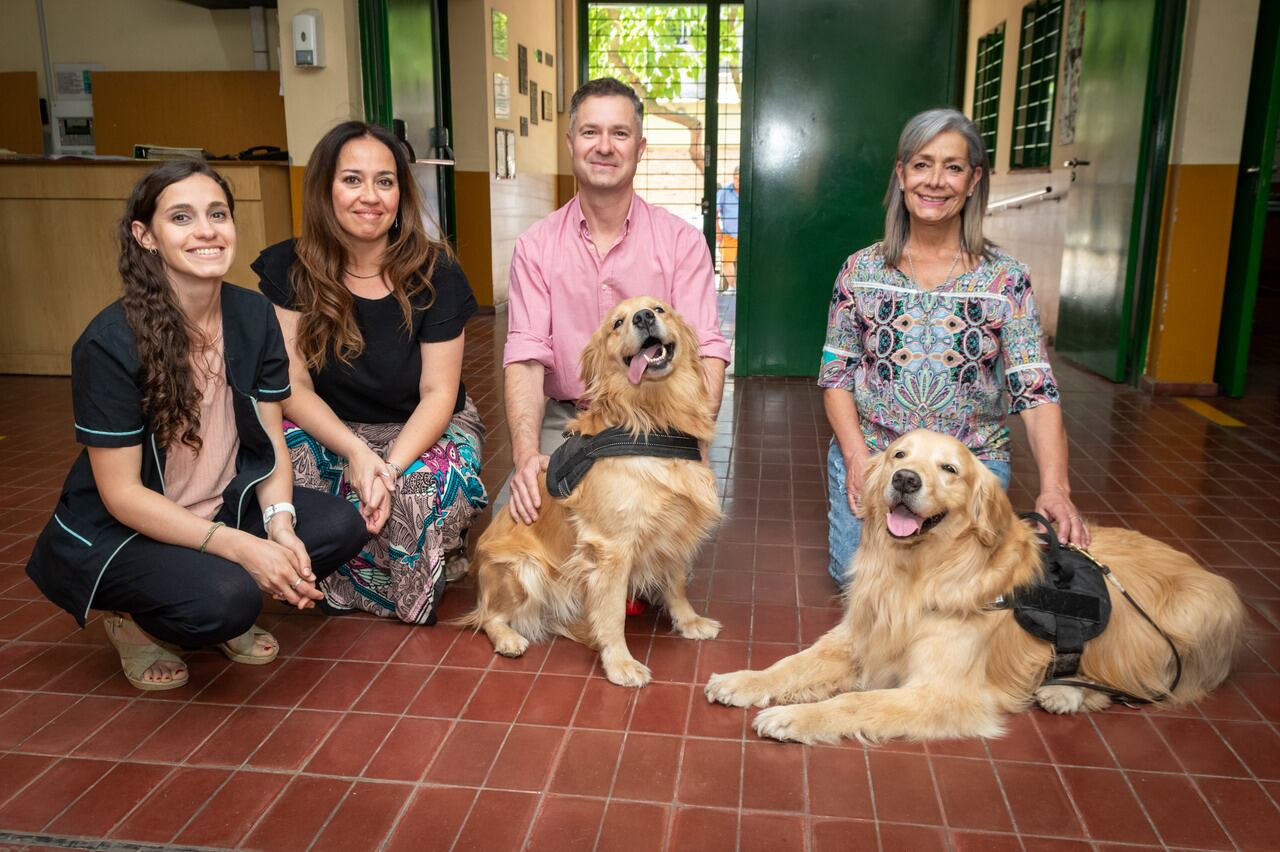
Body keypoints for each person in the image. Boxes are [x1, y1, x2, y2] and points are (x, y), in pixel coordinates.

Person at [24, 160, 367, 691]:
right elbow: (121, 497)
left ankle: (223, 578)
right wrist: (242, 549)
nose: (207, 230)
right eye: (181, 217)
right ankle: (132, 620)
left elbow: (271, 436)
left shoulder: (253, 316)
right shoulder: (110, 342)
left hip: (224, 503)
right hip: (131, 528)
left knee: (337, 525)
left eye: (218, 214)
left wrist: (276, 525)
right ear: (146, 236)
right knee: (229, 598)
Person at [820, 108, 1088, 586]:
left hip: (966, 468)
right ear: (901, 175)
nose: (936, 181)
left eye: (953, 167)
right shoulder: (859, 270)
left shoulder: (1006, 278)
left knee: (953, 590)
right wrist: (858, 457)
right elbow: (836, 377)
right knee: (856, 579)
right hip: (882, 458)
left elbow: (1035, 390)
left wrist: (1056, 488)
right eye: (922, 164)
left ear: (973, 180)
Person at [252, 121, 486, 625]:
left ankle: (417, 564)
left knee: (415, 494)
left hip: (422, 426)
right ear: (324, 189)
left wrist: (390, 466)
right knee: (289, 470)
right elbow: (292, 385)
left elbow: (438, 392)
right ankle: (328, 579)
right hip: (328, 425)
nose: (370, 196)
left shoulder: (437, 271)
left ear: (401, 194)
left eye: (385, 181)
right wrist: (356, 452)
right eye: (352, 180)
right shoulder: (291, 267)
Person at [503, 76, 732, 526]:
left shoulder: (681, 242)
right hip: (572, 417)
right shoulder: (535, 246)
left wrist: (695, 446)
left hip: (659, 416)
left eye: (619, 133)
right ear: (571, 143)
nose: (604, 146)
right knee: (521, 524)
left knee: (649, 544)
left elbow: (707, 349)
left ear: (639, 148)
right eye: (591, 132)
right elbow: (526, 359)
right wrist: (526, 458)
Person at [715, 166, 740, 291]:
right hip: (730, 234)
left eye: (740, 179)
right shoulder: (724, 192)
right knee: (726, 260)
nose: (737, 182)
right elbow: (714, 212)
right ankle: (732, 288)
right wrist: (717, 231)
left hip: (750, 234)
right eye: (735, 178)